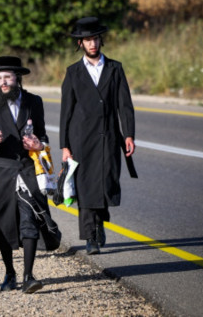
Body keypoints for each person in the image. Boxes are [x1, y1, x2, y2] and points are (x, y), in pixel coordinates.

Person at [59, 17, 136, 255]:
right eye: (87, 40)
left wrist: (129, 134)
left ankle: (100, 222)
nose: (92, 44)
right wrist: (65, 145)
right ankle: (90, 237)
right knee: (84, 188)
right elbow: (66, 111)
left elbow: (125, 104)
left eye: (95, 39)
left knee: (104, 184)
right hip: (81, 139)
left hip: (108, 137)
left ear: (100, 40)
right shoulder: (73, 72)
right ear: (80, 43)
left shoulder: (115, 68)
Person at [0, 56, 50, 294]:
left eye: (7, 77)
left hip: (27, 170)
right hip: (0, 171)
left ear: (18, 78)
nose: (3, 82)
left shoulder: (33, 102)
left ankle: (28, 276)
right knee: (3, 225)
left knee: (30, 221)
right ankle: (10, 272)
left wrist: (38, 144)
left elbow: (43, 136)